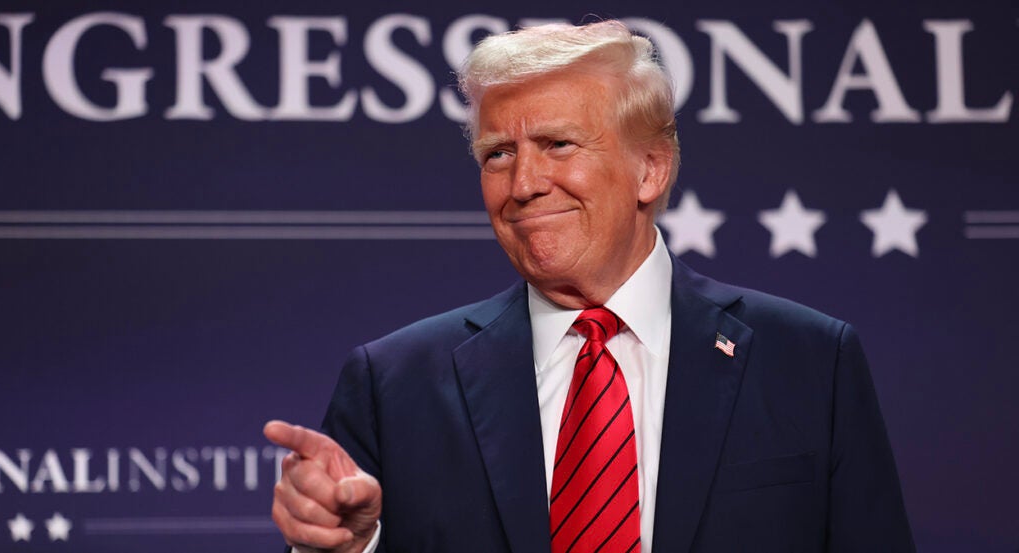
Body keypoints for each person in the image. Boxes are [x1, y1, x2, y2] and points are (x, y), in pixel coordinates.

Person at [264, 20, 914, 553]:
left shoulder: (810, 362)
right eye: (498, 154)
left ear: (650, 169)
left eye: (557, 144)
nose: (522, 184)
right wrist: (349, 549)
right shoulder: (393, 383)